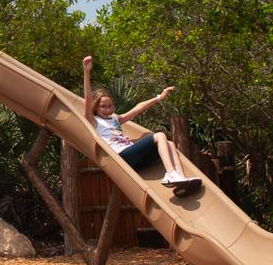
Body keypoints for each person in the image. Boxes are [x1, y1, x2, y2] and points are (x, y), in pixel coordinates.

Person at [81, 55, 195, 194]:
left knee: (170, 144)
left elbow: (138, 108)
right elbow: (87, 98)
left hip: (136, 160)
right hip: (122, 158)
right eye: (103, 107)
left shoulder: (116, 119)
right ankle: (171, 174)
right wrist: (86, 72)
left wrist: (159, 97)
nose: (107, 109)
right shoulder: (93, 121)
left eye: (110, 106)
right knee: (159, 135)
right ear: (96, 107)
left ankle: (180, 178)